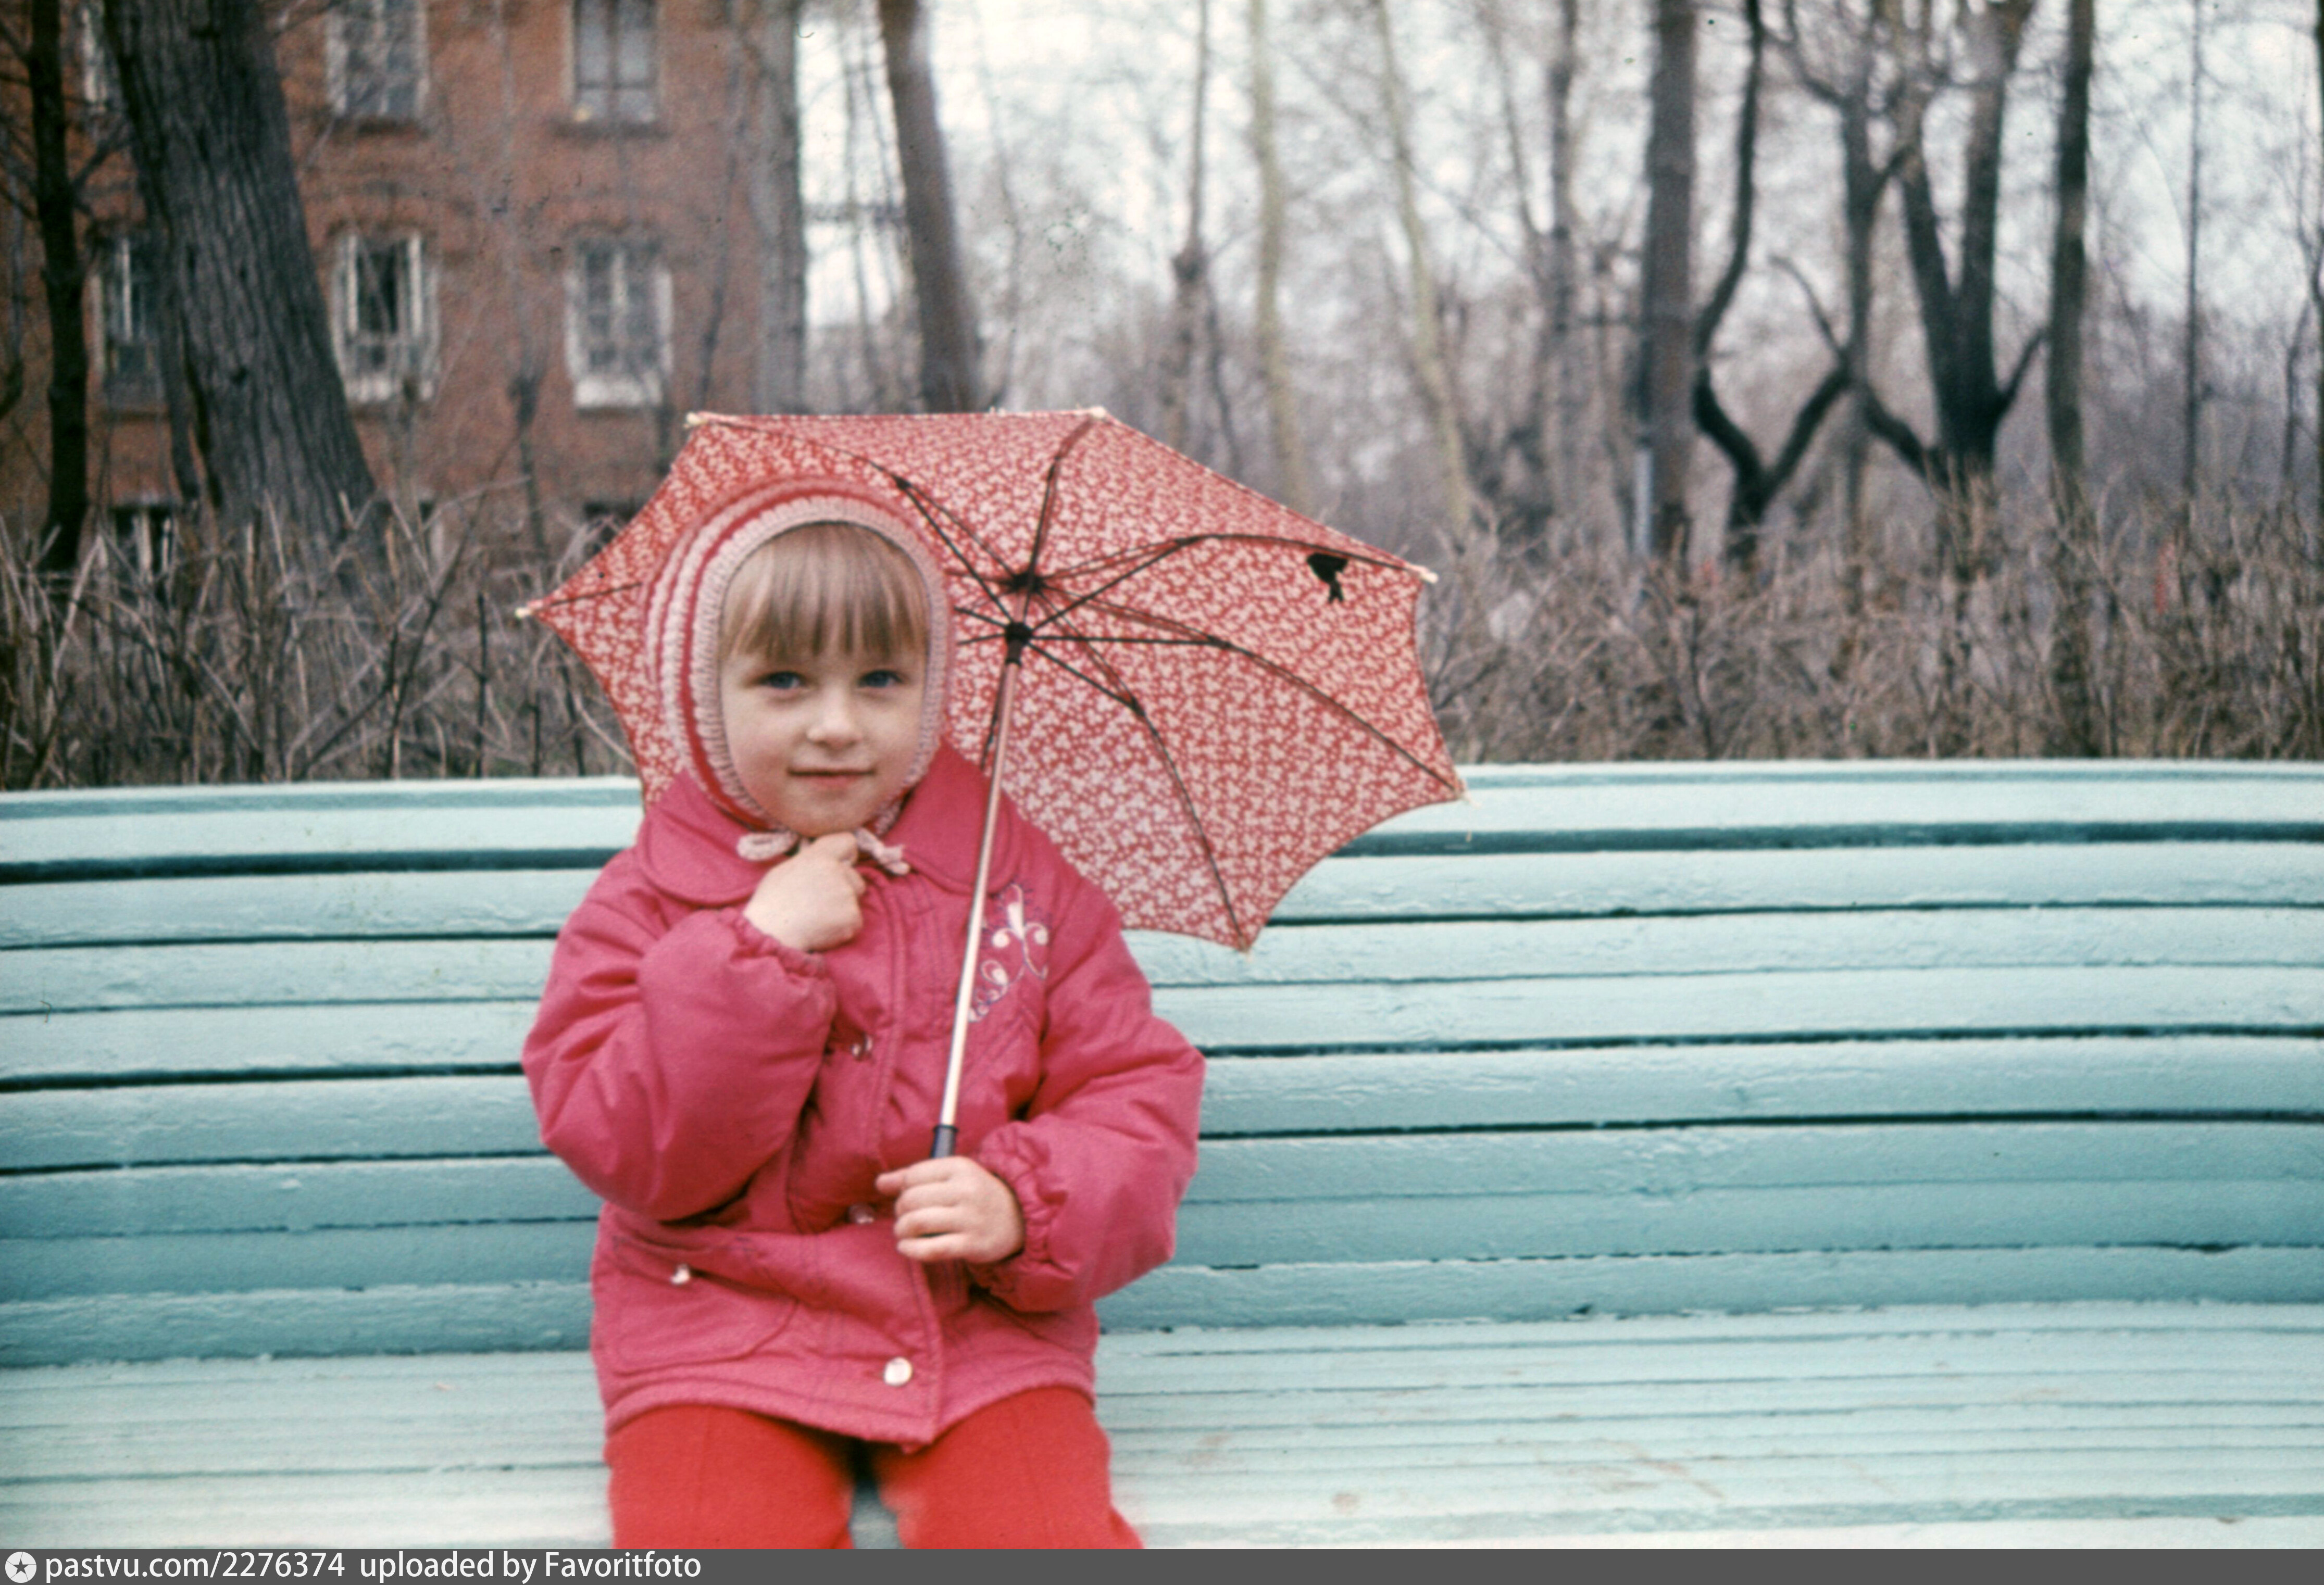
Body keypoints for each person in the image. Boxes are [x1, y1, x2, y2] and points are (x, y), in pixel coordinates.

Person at [522, 482, 1205, 1548]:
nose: (837, 726)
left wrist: (1024, 1202)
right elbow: (626, 1144)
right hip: (718, 1329)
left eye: (881, 679)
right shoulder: (647, 900)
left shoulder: (1016, 887)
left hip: (975, 1330)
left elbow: (1130, 1091)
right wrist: (755, 951)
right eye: (783, 680)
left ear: (932, 693)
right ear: (701, 698)